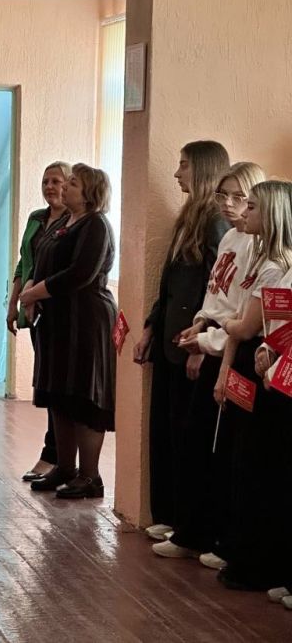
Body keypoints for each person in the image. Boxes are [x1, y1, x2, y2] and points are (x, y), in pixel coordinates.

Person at [154, 163, 269, 565]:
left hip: (233, 347)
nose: (229, 204)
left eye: (240, 198)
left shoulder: (260, 248)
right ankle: (191, 528)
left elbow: (244, 315)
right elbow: (215, 293)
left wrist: (207, 342)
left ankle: (216, 536)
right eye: (223, 195)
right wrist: (200, 322)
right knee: (195, 441)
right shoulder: (231, 238)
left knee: (225, 451)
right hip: (214, 336)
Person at [133, 140, 230, 540]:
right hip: (171, 340)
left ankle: (189, 525)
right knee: (167, 433)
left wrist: (201, 340)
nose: (177, 173)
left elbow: (215, 290)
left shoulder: (215, 223)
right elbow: (169, 285)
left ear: (204, 169)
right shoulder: (187, 217)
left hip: (194, 343)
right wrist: (150, 327)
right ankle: (171, 515)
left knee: (190, 437)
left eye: (184, 165)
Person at [208, 180, 292, 592]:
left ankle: (258, 561)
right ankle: (244, 553)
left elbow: (246, 324)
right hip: (260, 363)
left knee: (261, 469)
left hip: (270, 374)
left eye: (252, 206)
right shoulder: (261, 261)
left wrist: (226, 324)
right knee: (245, 464)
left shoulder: (277, 265)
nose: (243, 212)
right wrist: (251, 352)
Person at [20, 163, 117, 499]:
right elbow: (40, 260)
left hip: (86, 321)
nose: (64, 187)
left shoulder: (96, 225)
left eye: (72, 183)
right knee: (59, 395)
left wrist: (35, 293)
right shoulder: (63, 222)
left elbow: (80, 273)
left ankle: (90, 476)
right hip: (58, 321)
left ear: (90, 192)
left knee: (82, 397)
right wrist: (30, 287)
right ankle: (64, 467)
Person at [7, 162, 71, 482]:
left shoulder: (75, 222)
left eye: (56, 181)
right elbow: (24, 263)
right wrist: (13, 302)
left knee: (57, 385)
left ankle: (55, 455)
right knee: (45, 382)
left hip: (61, 311)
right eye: (45, 181)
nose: (49, 187)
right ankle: (55, 454)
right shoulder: (36, 218)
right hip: (35, 311)